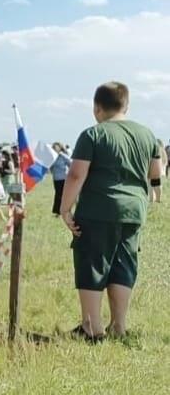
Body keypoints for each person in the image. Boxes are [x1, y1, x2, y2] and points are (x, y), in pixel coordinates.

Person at [59, 82, 163, 342]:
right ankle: (119, 326)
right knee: (123, 265)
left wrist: (65, 208)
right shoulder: (147, 134)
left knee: (92, 264)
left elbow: (76, 174)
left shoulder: (93, 134)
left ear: (97, 108)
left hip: (99, 209)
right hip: (134, 210)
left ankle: (92, 328)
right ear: (126, 105)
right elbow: (156, 172)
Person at [50, 142, 71, 216]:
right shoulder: (52, 157)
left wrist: (62, 154)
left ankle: (66, 211)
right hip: (56, 179)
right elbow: (50, 167)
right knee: (58, 195)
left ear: (60, 148)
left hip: (64, 178)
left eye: (56, 147)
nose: (55, 149)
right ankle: (58, 212)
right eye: (54, 148)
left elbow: (70, 163)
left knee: (64, 195)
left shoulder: (63, 156)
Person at [151, 139, 163, 203]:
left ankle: (152, 199)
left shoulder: (154, 149)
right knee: (157, 184)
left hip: (153, 166)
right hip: (158, 167)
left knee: (151, 185)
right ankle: (158, 199)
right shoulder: (161, 150)